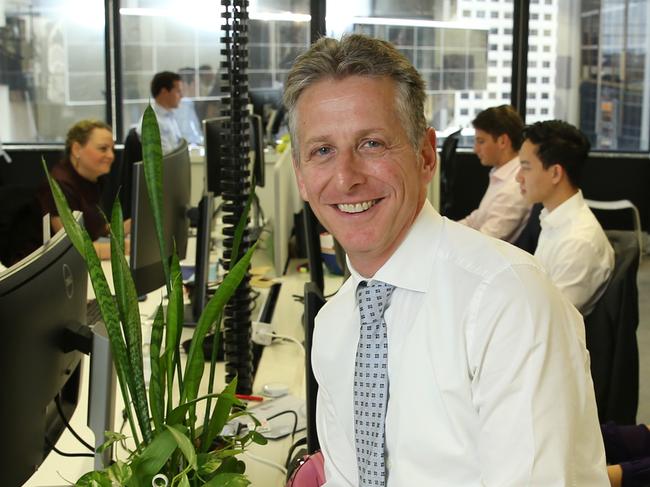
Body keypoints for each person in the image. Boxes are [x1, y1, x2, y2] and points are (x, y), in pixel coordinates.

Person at [284, 34, 609, 486]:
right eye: (322, 151)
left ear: (424, 155)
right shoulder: (335, 324)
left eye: (372, 144)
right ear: (301, 176)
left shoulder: (509, 299)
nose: (346, 178)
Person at [516, 120, 614, 316]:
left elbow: (548, 323)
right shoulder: (554, 219)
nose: (518, 177)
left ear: (555, 173)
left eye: (526, 167)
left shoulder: (576, 242)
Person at [38, 119, 127, 260]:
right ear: (76, 149)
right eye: (103, 149)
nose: (111, 156)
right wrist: (127, 248)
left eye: (112, 150)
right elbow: (75, 247)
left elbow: (96, 229)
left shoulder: (93, 179)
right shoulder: (57, 188)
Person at [458, 105, 531, 242]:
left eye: (481, 141)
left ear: (502, 141)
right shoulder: (500, 172)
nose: (475, 149)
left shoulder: (514, 186)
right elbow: (476, 220)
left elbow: (485, 241)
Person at [137, 71, 183, 154]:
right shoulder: (151, 122)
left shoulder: (169, 117)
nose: (181, 95)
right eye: (178, 91)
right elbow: (165, 158)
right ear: (164, 92)